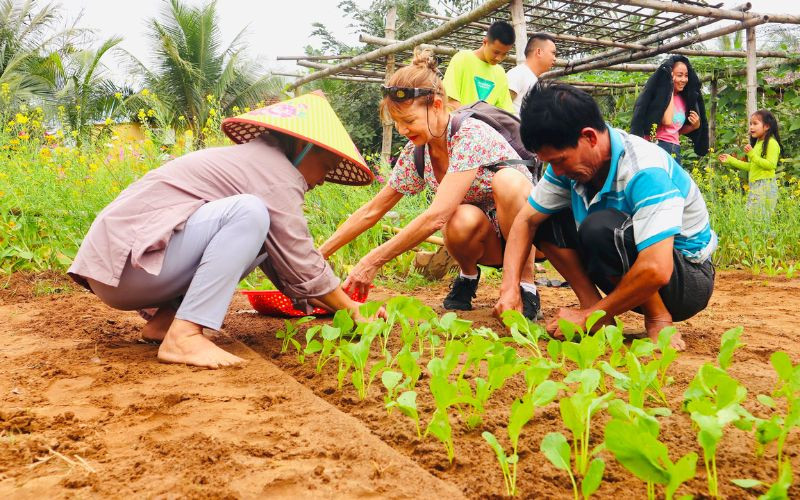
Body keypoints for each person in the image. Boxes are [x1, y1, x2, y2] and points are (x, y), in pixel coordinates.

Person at [68, 92, 377, 369]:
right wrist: (351, 309)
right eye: (327, 165)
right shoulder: (276, 172)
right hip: (128, 269)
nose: (325, 179)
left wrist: (334, 307)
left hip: (124, 272)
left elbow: (288, 265)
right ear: (304, 146)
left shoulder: (257, 163)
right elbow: (301, 258)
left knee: (260, 228)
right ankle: (184, 335)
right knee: (249, 212)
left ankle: (167, 321)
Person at [320, 49, 541, 319]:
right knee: (460, 215)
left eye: (409, 120)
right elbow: (372, 210)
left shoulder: (470, 134)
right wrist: (319, 255)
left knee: (507, 181)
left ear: (437, 105)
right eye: (397, 123)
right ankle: (468, 277)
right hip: (486, 241)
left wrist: (371, 261)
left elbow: (436, 216)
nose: (402, 130)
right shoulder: (418, 152)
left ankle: (525, 285)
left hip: (529, 235)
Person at [496, 83, 718, 351]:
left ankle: (658, 318)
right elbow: (525, 221)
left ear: (589, 137)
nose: (557, 170)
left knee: (601, 227)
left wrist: (588, 319)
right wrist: (509, 288)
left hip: (684, 279)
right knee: (544, 219)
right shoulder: (567, 167)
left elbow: (657, 268)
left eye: (560, 160)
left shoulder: (643, 169)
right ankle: (594, 308)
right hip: (629, 268)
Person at [630, 55, 708, 165]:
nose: (684, 80)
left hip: (674, 148)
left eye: (686, 76)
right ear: (670, 76)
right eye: (679, 75)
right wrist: (669, 86)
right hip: (656, 146)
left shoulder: (684, 101)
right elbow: (667, 121)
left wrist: (694, 126)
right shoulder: (659, 97)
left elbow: (676, 131)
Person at [719, 109, 783, 214]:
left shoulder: (771, 143)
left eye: (755, 124)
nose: (751, 127)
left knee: (758, 219)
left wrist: (752, 155)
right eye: (750, 124)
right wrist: (731, 160)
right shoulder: (758, 143)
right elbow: (751, 166)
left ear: (767, 126)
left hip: (765, 185)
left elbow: (771, 165)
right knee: (753, 218)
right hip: (755, 185)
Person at [442, 20, 515, 113]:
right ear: (485, 42)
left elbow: (504, 111)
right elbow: (450, 100)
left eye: (504, 54)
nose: (499, 58)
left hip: (485, 127)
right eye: (496, 52)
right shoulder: (462, 59)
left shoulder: (500, 73)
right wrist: (472, 124)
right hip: (458, 123)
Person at [507, 33, 557, 114]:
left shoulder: (534, 80)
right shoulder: (518, 73)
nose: (555, 59)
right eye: (553, 53)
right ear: (539, 52)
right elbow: (501, 107)